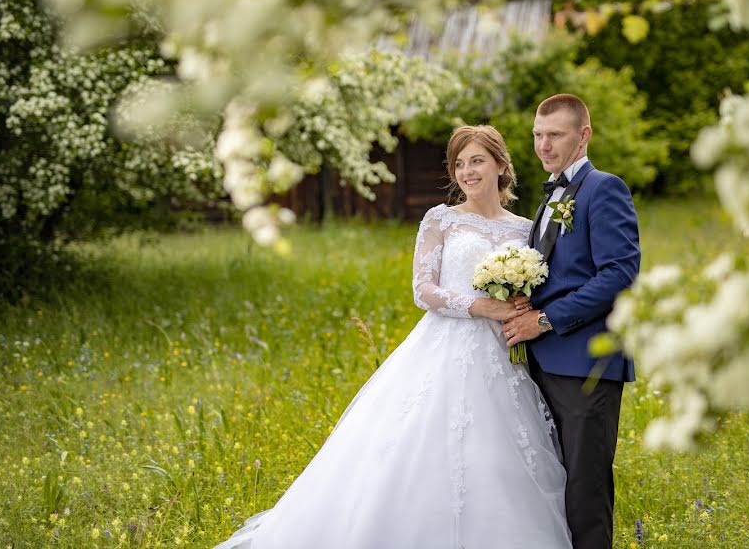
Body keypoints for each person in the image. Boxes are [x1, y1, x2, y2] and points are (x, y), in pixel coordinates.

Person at [214, 125, 571, 549]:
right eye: (458, 163)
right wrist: (480, 306)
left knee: (496, 456)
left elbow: (534, 290)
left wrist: (519, 306)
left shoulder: (525, 229)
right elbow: (424, 291)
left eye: (476, 160)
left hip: (502, 353)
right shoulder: (441, 219)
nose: (467, 171)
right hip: (444, 346)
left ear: (500, 165)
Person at [502, 94, 641, 549]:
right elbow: (558, 269)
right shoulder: (552, 195)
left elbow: (620, 273)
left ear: (584, 135)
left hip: (586, 363)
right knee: (549, 482)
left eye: (555, 134)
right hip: (543, 362)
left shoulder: (605, 188)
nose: (544, 145)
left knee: (585, 487)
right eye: (539, 135)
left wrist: (543, 319)